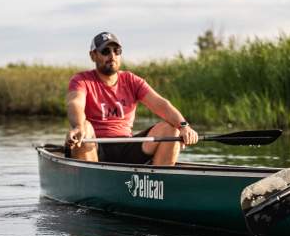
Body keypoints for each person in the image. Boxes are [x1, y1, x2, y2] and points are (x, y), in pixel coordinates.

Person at [65, 31, 198, 165]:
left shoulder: (131, 80)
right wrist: (78, 126)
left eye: (117, 51)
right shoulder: (81, 80)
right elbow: (75, 103)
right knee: (84, 127)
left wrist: (184, 126)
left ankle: (159, 181)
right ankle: (91, 179)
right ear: (93, 56)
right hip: (95, 146)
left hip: (127, 146)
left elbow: (161, 104)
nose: (112, 56)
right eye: (105, 51)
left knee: (171, 129)